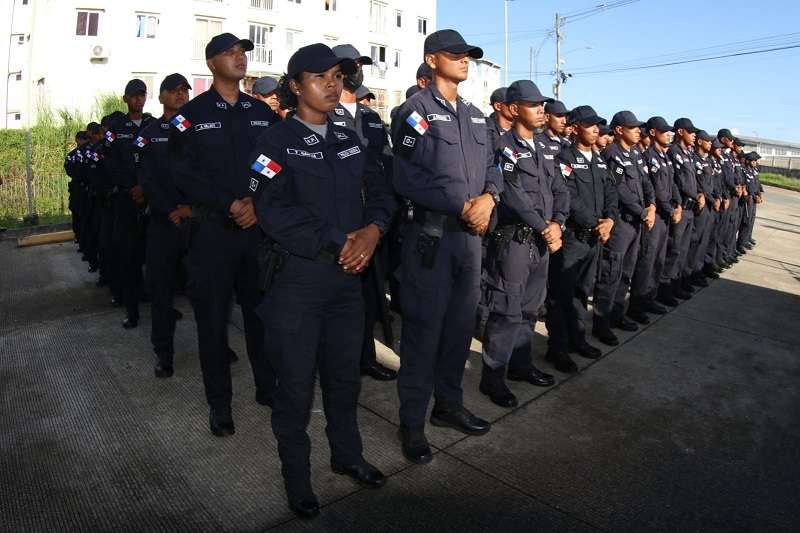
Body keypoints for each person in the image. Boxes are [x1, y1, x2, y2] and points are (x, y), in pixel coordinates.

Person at [253, 43, 394, 518]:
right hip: (299, 280)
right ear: (295, 86)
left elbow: (379, 189)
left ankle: (347, 456)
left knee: (342, 379)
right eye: (320, 77)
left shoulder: (348, 134)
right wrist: (341, 241)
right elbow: (274, 211)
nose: (333, 84)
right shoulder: (273, 141)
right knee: (294, 386)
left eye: (337, 76)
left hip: (348, 279)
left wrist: (373, 232)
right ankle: (297, 479)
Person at [392, 29, 501, 463]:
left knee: (459, 330)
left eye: (468, 55)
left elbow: (495, 166)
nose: (465, 61)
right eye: (455, 55)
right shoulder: (413, 112)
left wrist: (490, 198)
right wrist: (462, 204)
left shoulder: (476, 116)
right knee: (423, 333)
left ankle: (449, 406)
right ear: (432, 59)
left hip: (470, 241)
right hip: (431, 240)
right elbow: (404, 176)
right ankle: (412, 424)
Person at [169, 32, 279, 436]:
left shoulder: (261, 112)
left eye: (242, 53)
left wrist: (255, 202)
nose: (239, 58)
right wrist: (228, 203)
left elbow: (272, 164)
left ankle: (268, 388)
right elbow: (183, 173)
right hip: (213, 233)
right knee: (213, 323)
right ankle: (220, 404)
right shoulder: (190, 115)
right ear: (212, 63)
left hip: (256, 231)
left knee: (261, 317)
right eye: (229, 53)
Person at [480, 80, 567, 408]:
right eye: (534, 106)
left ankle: (521, 365)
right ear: (514, 109)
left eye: (542, 106)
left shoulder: (545, 148)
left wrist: (557, 223)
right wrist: (545, 227)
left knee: (531, 309)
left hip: (543, 241)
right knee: (506, 310)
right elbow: (513, 194)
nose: (541, 111)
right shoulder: (504, 148)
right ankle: (493, 377)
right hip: (515, 241)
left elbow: (561, 188)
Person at [329, 43, 399, 381]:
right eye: (350, 65)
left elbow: (385, 167)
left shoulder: (371, 118)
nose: (357, 70)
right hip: (340, 223)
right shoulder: (325, 115)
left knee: (370, 297)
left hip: (374, 220)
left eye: (360, 64)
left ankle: (366, 358)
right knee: (337, 301)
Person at [545, 105, 617, 373]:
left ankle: (578, 339)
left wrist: (610, 219)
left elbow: (611, 192)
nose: (596, 129)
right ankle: (558, 348)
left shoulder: (598, 159)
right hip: (574, 237)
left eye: (597, 124)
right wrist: (595, 223)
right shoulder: (563, 158)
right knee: (561, 295)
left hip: (595, 238)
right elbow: (568, 196)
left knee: (581, 293)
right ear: (575, 128)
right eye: (590, 124)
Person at [136, 73, 192, 378]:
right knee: (161, 291)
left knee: (208, 289)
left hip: (195, 221)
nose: (181, 94)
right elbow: (146, 179)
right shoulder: (149, 133)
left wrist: (190, 210)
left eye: (184, 90)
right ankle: (163, 353)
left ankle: (218, 345)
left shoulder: (195, 129)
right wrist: (169, 210)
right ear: (162, 97)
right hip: (163, 222)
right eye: (174, 90)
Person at [593, 111, 654, 344]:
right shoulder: (612, 154)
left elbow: (646, 181)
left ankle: (617, 315)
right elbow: (619, 189)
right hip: (621, 224)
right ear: (619, 130)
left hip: (636, 223)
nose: (639, 131)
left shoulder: (636, 154)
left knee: (625, 274)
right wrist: (642, 211)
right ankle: (601, 322)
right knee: (611, 274)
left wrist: (651, 204)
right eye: (633, 127)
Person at [104, 79, 155, 328]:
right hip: (126, 199)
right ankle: (131, 310)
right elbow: (110, 163)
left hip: (152, 199)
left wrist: (145, 187)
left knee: (155, 255)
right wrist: (131, 187)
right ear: (125, 99)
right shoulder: (115, 127)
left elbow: (159, 161)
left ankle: (158, 304)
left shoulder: (153, 125)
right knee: (128, 255)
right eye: (134, 95)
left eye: (142, 95)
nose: (138, 99)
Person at [640, 116, 682, 310]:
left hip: (666, 215)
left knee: (658, 260)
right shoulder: (649, 157)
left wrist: (678, 204)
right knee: (647, 261)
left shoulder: (664, 157)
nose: (668, 135)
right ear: (652, 133)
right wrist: (670, 209)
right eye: (664, 131)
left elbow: (672, 184)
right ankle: (639, 304)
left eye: (669, 131)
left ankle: (651, 297)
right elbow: (656, 189)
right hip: (656, 215)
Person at [663, 118, 700, 301]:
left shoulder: (688, 154)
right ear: (680, 132)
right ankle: (664, 290)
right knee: (674, 250)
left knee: (683, 250)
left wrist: (698, 194)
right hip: (681, 207)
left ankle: (675, 286)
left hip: (691, 209)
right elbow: (677, 182)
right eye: (690, 131)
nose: (694, 135)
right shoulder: (673, 152)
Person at [535, 100, 571, 179]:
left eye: (565, 117)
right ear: (547, 117)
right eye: (559, 116)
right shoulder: (536, 142)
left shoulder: (567, 144)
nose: (564, 121)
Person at [65, 131, 89, 242]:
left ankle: (80, 238)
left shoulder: (71, 155)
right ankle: (82, 239)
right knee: (83, 215)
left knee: (78, 215)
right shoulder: (91, 152)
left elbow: (69, 171)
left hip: (78, 188)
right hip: (85, 188)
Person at [486, 87, 511, 151]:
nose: (516, 107)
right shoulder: (486, 132)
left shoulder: (523, 131)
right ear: (498, 106)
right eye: (511, 103)